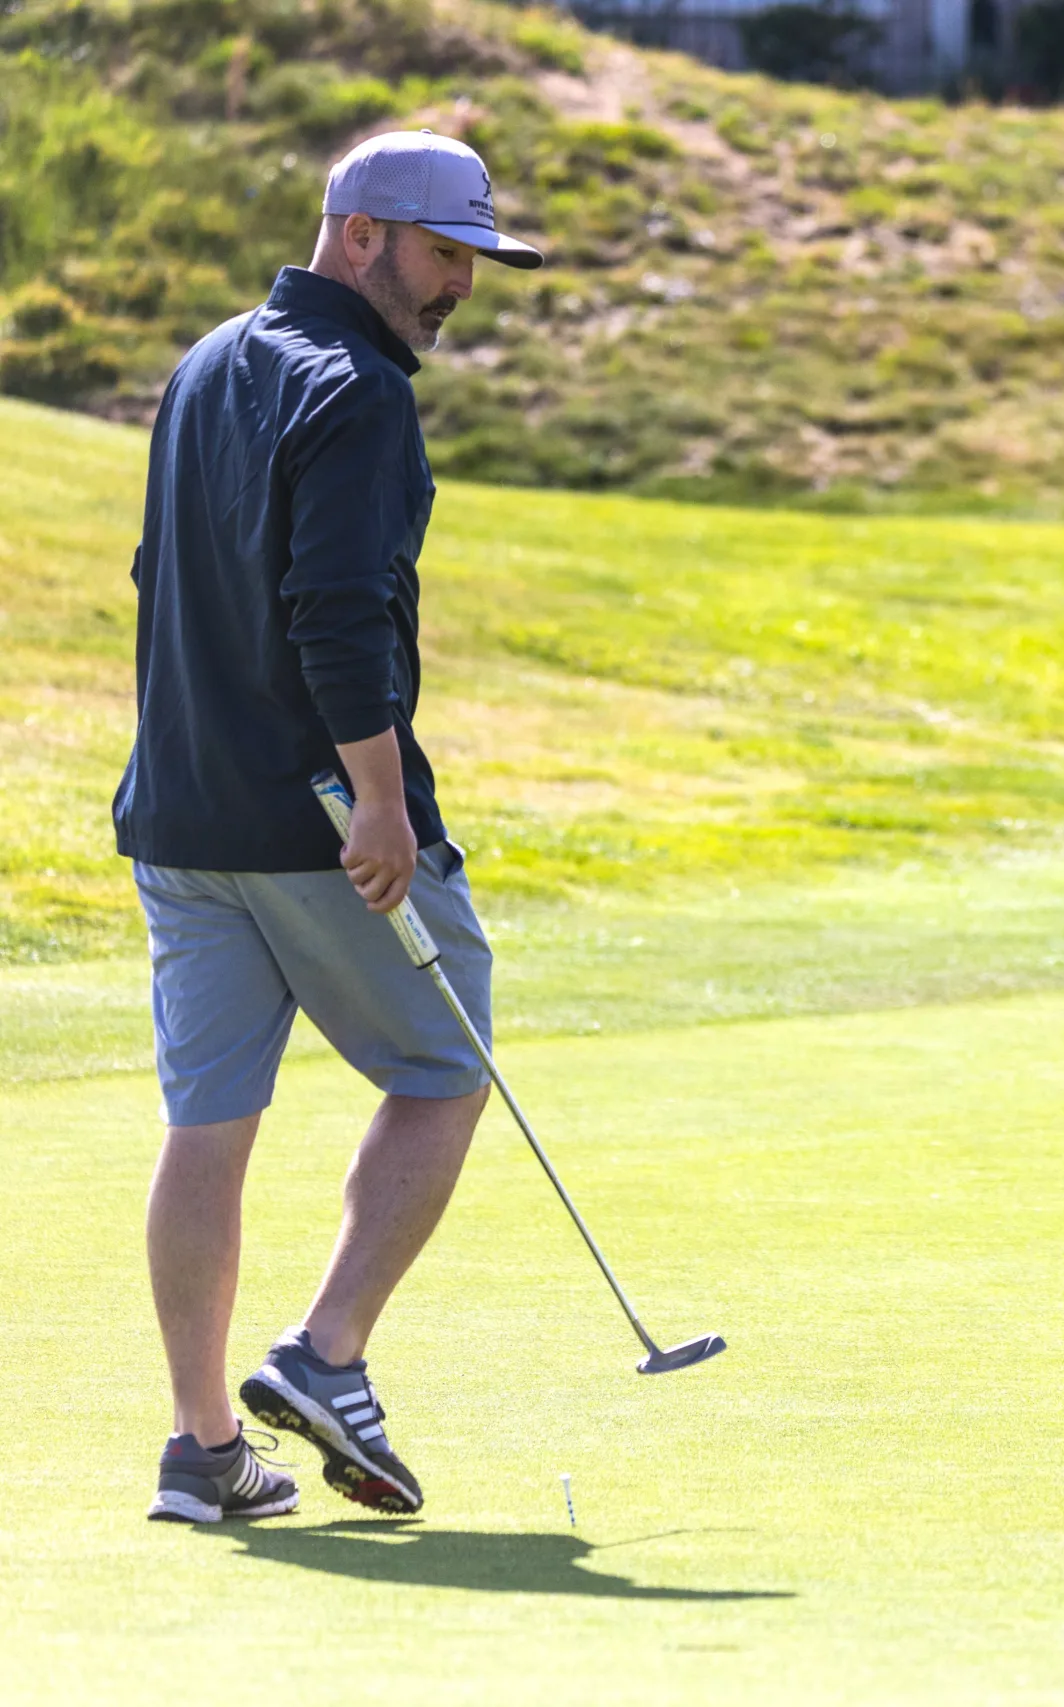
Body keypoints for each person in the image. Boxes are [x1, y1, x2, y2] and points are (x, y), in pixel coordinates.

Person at [116, 130, 541, 1524]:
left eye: (472, 260)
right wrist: (376, 793)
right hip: (312, 816)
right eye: (441, 253)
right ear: (359, 234)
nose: (460, 286)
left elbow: (163, 579)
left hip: (179, 814)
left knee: (209, 1122)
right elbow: (336, 607)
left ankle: (200, 1450)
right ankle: (327, 1349)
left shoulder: (206, 362)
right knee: (446, 1057)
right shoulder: (356, 390)